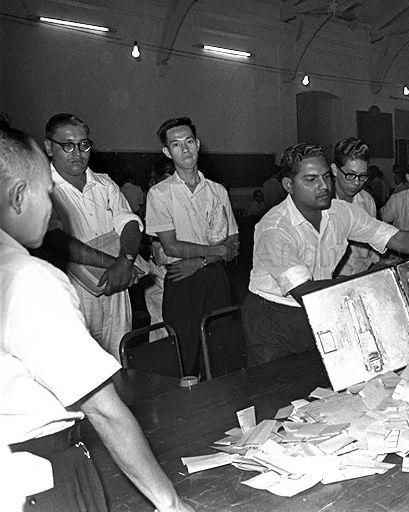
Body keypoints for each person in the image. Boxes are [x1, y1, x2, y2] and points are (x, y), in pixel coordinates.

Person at [0, 125, 193, 512]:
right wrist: (170, 503)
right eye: (48, 194)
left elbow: (128, 225)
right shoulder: (28, 278)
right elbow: (104, 410)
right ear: (19, 196)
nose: (54, 207)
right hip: (40, 470)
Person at [243, 143, 409, 366]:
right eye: (311, 180)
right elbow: (305, 292)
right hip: (274, 318)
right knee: (277, 391)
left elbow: (397, 238)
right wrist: (372, 281)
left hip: (320, 306)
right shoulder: (275, 229)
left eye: (326, 177)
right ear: (288, 185)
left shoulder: (341, 212)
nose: (324, 186)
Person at [41, 113, 142, 361]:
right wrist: (117, 264)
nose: (77, 153)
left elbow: (128, 223)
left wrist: (126, 259)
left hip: (116, 287)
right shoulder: (43, 187)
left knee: (120, 359)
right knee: (79, 366)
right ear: (48, 147)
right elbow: (57, 241)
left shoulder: (105, 184)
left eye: (84, 145)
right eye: (67, 145)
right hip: (74, 291)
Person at [145, 117, 239, 376]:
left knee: (220, 348)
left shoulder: (217, 190)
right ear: (167, 152)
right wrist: (216, 251)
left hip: (213, 276)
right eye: (176, 145)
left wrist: (202, 260)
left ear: (197, 144)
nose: (185, 149)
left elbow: (232, 244)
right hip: (182, 279)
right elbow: (171, 246)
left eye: (189, 142)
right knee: (185, 354)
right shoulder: (160, 193)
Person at [330, 137, 380, 276]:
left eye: (362, 176)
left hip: (362, 275)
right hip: (332, 282)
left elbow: (373, 246)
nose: (357, 182)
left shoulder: (367, 200)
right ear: (334, 169)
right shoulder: (322, 205)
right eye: (351, 175)